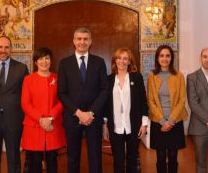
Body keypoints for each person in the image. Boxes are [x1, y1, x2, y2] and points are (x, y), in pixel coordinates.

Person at [57, 27, 109, 173]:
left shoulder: (99, 62)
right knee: (72, 157)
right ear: (74, 41)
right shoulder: (64, 63)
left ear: (90, 41)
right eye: (79, 39)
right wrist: (79, 113)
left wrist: (91, 113)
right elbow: (61, 92)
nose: (82, 42)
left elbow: (104, 90)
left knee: (95, 157)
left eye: (85, 39)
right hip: (73, 118)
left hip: (94, 118)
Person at [0, 36, 29, 173]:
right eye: (0, 47)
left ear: (11, 49)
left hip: (13, 120)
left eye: (7, 47)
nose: (3, 50)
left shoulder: (21, 68)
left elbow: (27, 94)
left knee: (14, 157)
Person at [102, 48, 149, 173]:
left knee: (132, 158)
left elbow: (143, 102)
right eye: (119, 58)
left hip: (133, 125)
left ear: (129, 62)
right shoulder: (109, 79)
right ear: (115, 60)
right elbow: (106, 105)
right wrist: (106, 125)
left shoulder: (136, 77)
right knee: (118, 160)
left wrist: (144, 124)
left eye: (125, 58)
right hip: (115, 126)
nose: (121, 61)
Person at [21, 47, 66, 173]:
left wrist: (50, 118)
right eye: (40, 59)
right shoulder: (28, 80)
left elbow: (62, 100)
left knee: (53, 162)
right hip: (34, 126)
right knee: (34, 164)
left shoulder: (58, 78)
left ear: (51, 61)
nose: (44, 61)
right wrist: (41, 120)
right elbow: (26, 104)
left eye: (47, 58)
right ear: (35, 62)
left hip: (53, 126)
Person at [147, 44, 188, 173]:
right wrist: (162, 121)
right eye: (162, 56)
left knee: (173, 156)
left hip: (175, 122)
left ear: (171, 58)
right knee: (160, 157)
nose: (165, 59)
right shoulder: (151, 76)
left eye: (168, 56)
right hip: (158, 122)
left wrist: (170, 120)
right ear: (157, 58)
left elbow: (181, 100)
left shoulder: (179, 76)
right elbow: (150, 100)